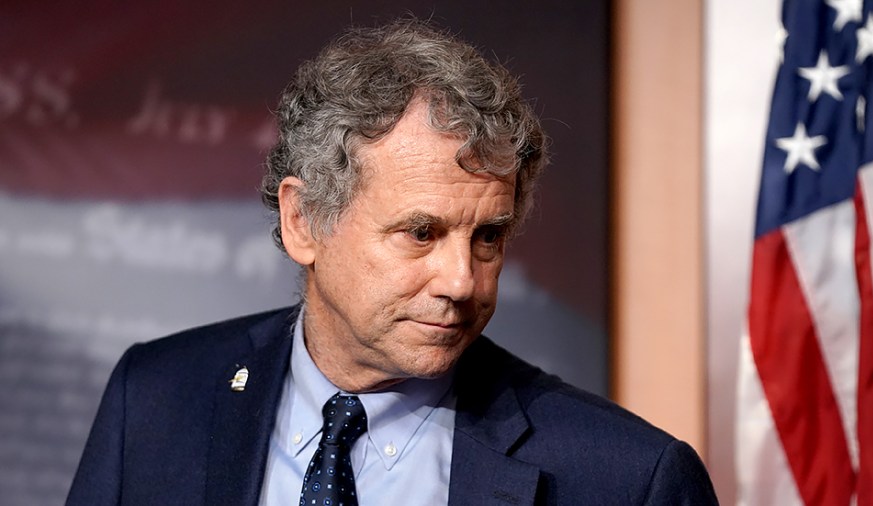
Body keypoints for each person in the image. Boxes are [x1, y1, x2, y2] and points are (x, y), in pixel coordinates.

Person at [66, 18, 718, 505]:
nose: (463, 281)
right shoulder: (153, 399)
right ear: (304, 221)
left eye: (487, 237)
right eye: (421, 233)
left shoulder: (627, 480)